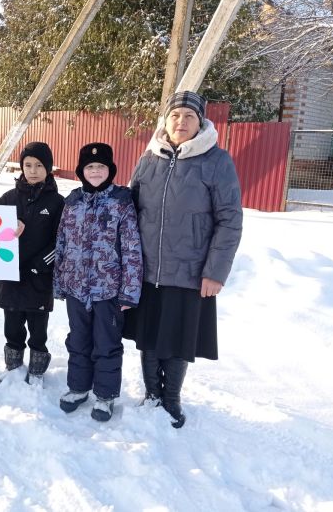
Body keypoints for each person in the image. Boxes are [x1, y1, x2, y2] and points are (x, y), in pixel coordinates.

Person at [124, 91, 243, 428]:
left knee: (178, 337)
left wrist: (215, 272)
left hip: (191, 271)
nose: (181, 122)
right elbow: (130, 210)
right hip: (147, 269)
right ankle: (151, 393)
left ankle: (171, 398)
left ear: (201, 122)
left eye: (188, 117)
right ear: (166, 120)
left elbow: (229, 220)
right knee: (148, 334)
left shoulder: (216, 161)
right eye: (175, 116)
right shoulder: (150, 157)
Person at [54, 143, 143, 422]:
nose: (95, 171)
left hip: (109, 291)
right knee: (78, 340)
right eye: (90, 167)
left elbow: (131, 248)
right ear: (81, 171)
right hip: (76, 288)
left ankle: (105, 396)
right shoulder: (72, 202)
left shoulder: (122, 202)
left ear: (110, 170)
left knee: (106, 343)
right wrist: (59, 282)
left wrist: (129, 292)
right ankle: (78, 388)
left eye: (101, 167)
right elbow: (62, 243)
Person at [0, 142, 64, 385]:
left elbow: (61, 240)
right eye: (27, 165)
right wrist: (12, 222)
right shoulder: (9, 198)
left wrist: (40, 264)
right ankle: (13, 366)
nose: (33, 170)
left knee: (37, 330)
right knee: (12, 327)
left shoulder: (57, 202)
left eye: (38, 165)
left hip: (39, 278)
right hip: (11, 276)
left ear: (48, 168)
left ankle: (36, 371)